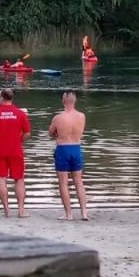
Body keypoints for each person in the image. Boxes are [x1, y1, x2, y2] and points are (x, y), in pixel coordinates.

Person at [0, 87, 30, 217]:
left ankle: (6, 210)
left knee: (1, 179)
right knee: (19, 179)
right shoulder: (20, 113)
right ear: (11, 98)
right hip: (16, 149)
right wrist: (19, 141)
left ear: (1, 98)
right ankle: (21, 210)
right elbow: (27, 133)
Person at [49, 90, 90, 220]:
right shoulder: (82, 116)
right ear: (75, 101)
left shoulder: (58, 118)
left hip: (63, 149)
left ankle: (69, 214)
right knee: (79, 182)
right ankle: (84, 212)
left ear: (63, 101)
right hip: (76, 149)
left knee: (63, 183)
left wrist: (57, 133)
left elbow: (51, 133)